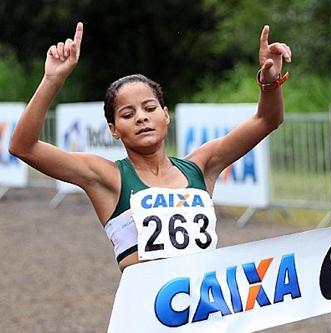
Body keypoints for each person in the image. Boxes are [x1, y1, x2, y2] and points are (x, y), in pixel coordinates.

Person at [9, 22, 292, 272]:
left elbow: (268, 120)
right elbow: (24, 147)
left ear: (165, 115)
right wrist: (52, 79)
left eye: (149, 107)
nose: (142, 117)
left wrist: (269, 83)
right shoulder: (108, 178)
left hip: (206, 313)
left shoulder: (200, 167)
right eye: (128, 114)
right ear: (114, 130)